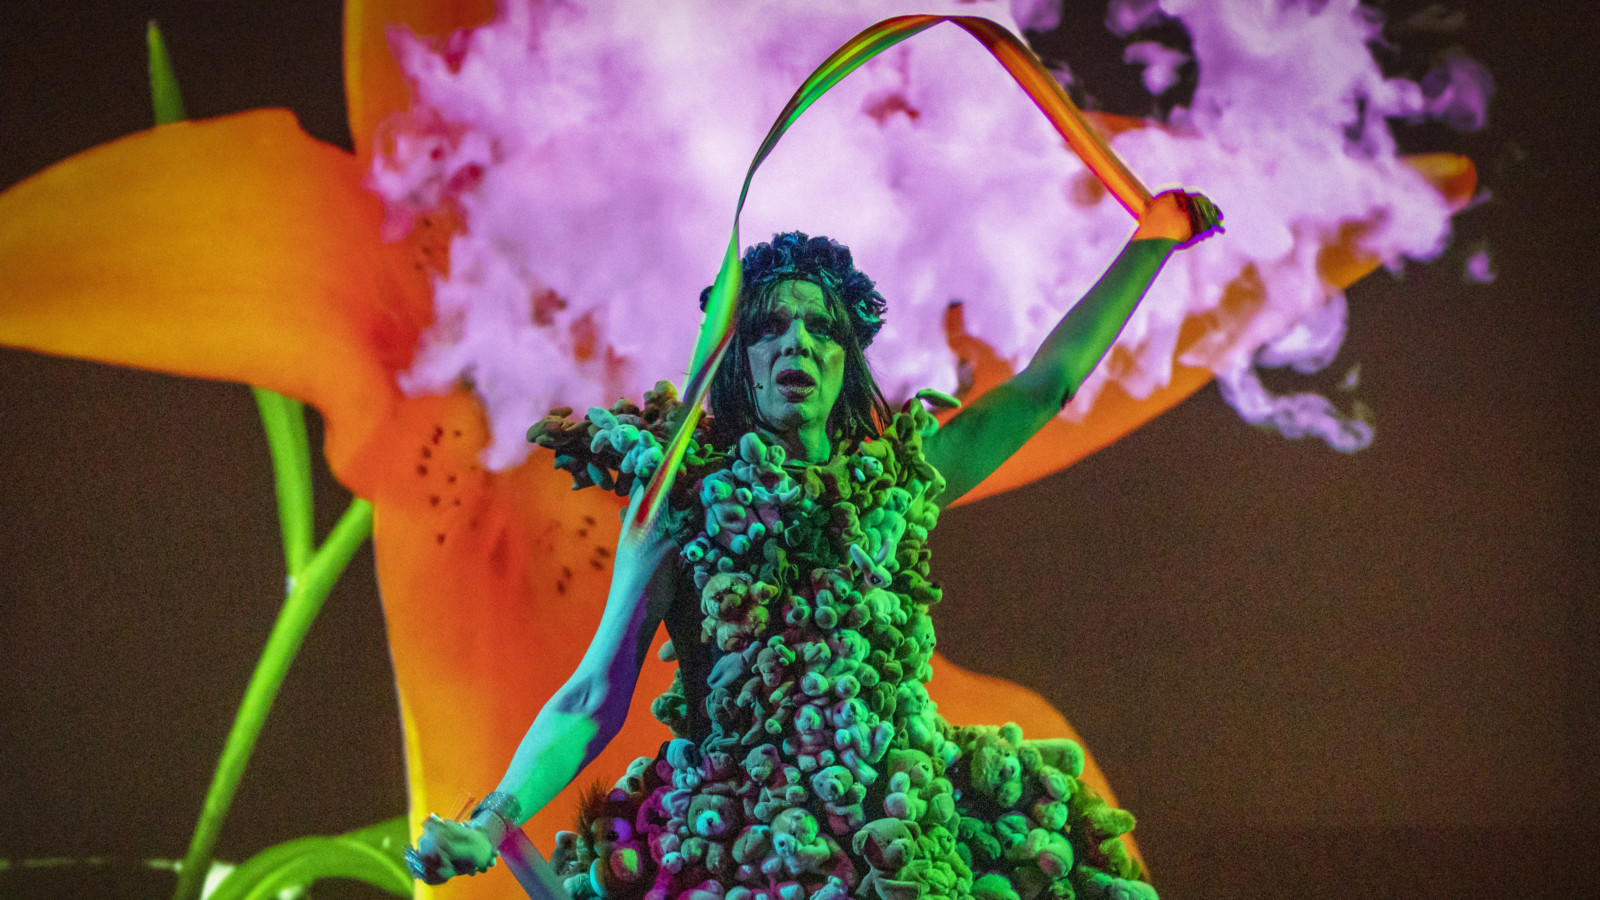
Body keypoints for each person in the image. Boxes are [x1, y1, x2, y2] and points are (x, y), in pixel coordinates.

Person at [407, 190, 1221, 900]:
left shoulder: (900, 481)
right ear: (742, 362)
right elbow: (594, 696)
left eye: (820, 327)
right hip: (739, 848)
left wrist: (1151, 240)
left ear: (846, 359)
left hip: (905, 842)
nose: (797, 342)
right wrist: (492, 817)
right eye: (770, 327)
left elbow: (1046, 386)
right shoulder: (679, 508)